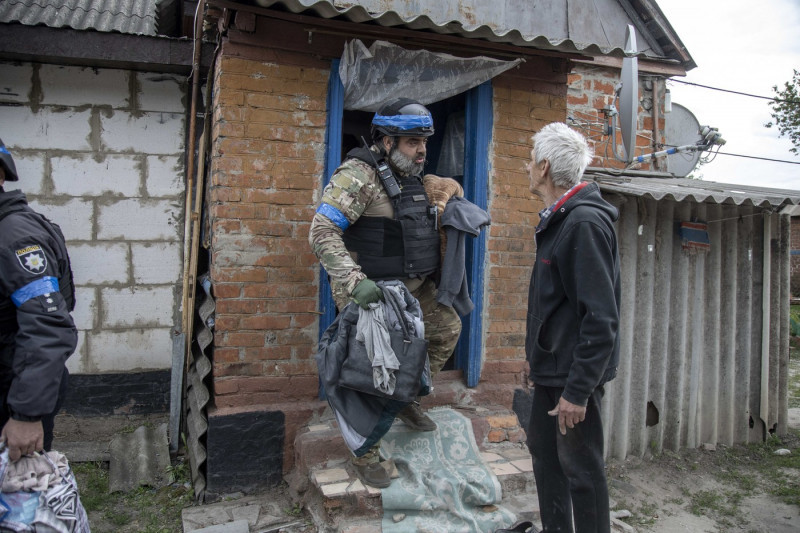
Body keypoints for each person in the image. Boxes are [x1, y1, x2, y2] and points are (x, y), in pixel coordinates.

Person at [309, 98, 463, 487]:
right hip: (370, 292)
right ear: (387, 141)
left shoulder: (410, 174)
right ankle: (366, 455)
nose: (422, 150)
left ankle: (406, 398)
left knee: (446, 330)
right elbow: (322, 232)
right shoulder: (357, 175)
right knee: (377, 372)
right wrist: (353, 281)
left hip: (412, 292)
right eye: (413, 142)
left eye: (424, 142)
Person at [523, 122, 620, 533]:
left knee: (581, 472)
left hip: (571, 378)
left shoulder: (582, 224)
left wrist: (577, 392)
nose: (527, 166)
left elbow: (601, 319)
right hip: (552, 370)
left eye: (531, 159)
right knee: (547, 462)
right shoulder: (559, 219)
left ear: (544, 167)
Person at [0, 138, 77, 463]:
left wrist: (26, 415)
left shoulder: (14, 236)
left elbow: (49, 326)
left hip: (11, 395)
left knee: (17, 501)